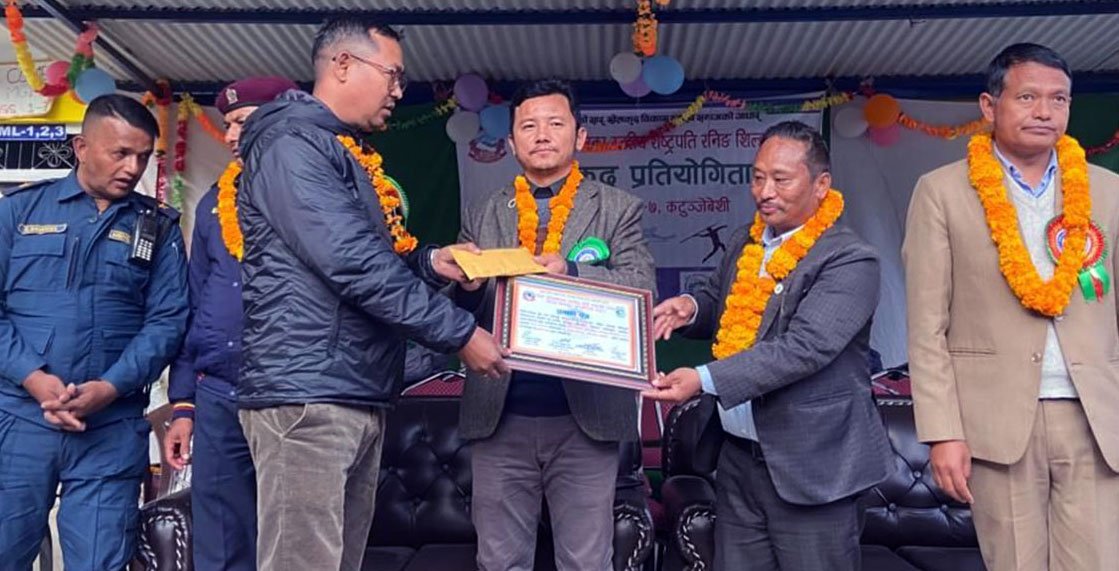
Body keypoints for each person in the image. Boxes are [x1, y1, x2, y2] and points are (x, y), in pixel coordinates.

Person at [234, 18, 507, 571]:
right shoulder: (292, 146)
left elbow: (366, 256)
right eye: (393, 74)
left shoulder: (336, 148)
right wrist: (460, 333)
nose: (399, 91)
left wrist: (432, 261)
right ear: (342, 65)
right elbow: (352, 265)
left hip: (349, 388)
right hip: (310, 395)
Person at [904, 43, 1119, 570]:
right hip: (995, 423)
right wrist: (943, 432)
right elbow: (927, 326)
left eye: (1058, 99)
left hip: (1095, 417)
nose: (1045, 111)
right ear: (989, 105)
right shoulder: (941, 192)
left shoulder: (1109, 191)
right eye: (1027, 97)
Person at [645, 121, 893, 571]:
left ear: (821, 185)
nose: (765, 191)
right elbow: (723, 302)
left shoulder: (850, 259)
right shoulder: (745, 240)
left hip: (812, 465)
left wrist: (703, 379)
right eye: (758, 177)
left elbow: (805, 347)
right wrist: (690, 308)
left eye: (781, 179)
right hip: (738, 460)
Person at [454, 78, 656, 571]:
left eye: (555, 123)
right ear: (511, 142)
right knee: (499, 562)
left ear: (579, 136)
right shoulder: (482, 213)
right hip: (500, 416)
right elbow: (460, 312)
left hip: (584, 419)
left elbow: (640, 287)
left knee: (585, 562)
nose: (541, 134)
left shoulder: (617, 209)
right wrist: (467, 286)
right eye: (528, 126)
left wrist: (574, 273)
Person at [0, 94, 188, 570]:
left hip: (110, 425)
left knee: (100, 561)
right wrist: (32, 377)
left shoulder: (158, 227)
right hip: (19, 420)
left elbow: (168, 321)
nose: (132, 168)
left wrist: (109, 387)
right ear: (81, 147)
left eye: (142, 157)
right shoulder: (18, 213)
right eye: (120, 153)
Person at [162, 76, 297, 571]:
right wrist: (183, 404)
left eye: (243, 122)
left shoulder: (310, 192)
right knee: (219, 539)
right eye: (228, 124)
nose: (232, 135)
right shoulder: (212, 204)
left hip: (289, 393)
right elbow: (195, 303)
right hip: (218, 393)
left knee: (291, 538)